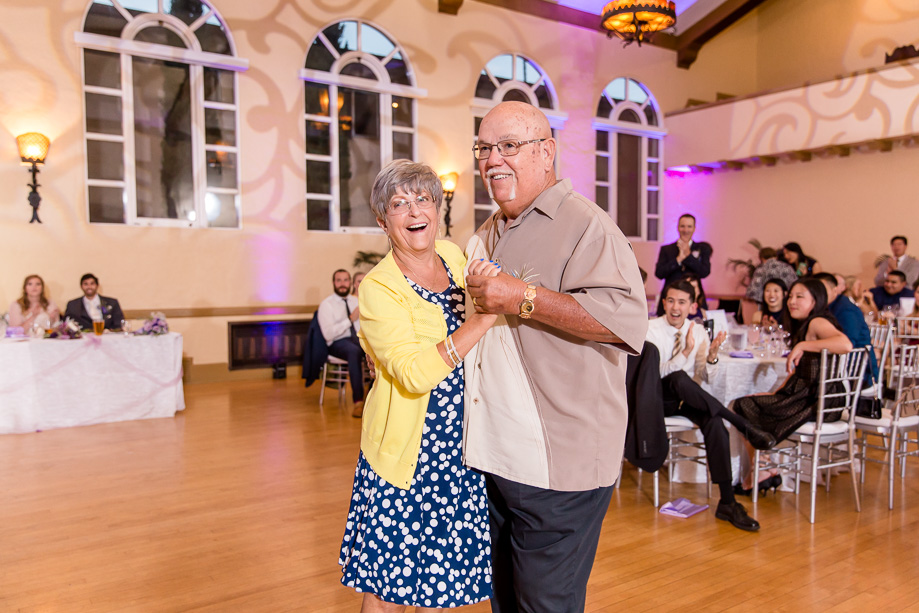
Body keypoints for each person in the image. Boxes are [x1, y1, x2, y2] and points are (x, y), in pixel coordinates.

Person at [463, 101, 648, 612]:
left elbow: (623, 322)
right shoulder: (486, 231)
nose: (492, 159)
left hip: (559, 461)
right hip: (496, 455)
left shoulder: (585, 225)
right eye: (484, 148)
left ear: (546, 152)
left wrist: (522, 297)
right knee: (508, 600)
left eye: (508, 146)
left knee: (546, 604)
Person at [338, 160, 498, 611]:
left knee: (438, 584)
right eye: (398, 203)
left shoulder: (452, 255)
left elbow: (488, 278)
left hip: (460, 451)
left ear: (437, 204)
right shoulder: (378, 287)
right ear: (383, 220)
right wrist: (484, 320)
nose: (413, 210)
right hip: (408, 454)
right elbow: (411, 372)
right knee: (387, 585)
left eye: (422, 198)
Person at [646, 280, 776, 530]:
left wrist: (713, 356)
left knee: (715, 422)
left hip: (686, 399)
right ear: (664, 303)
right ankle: (742, 423)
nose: (675, 307)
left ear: (692, 305)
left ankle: (727, 502)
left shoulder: (698, 330)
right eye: (671, 301)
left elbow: (706, 378)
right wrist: (684, 353)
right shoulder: (650, 329)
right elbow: (653, 375)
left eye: (682, 302)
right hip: (657, 399)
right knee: (678, 377)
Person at [733, 279, 853, 490]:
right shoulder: (806, 324)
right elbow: (800, 371)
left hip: (819, 400)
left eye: (800, 297)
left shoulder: (817, 322)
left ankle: (762, 467)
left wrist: (803, 345)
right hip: (811, 396)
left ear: (816, 301)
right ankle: (763, 466)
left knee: (743, 407)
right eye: (791, 297)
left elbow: (845, 344)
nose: (792, 302)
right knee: (748, 404)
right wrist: (777, 393)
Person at [317, 269, 367, 418]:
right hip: (337, 343)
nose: (342, 284)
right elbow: (328, 334)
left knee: (377, 349)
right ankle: (358, 401)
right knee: (354, 351)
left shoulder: (355, 301)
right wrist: (350, 319)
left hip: (357, 339)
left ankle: (373, 396)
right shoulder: (327, 305)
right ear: (333, 283)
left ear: (350, 283)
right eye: (339, 280)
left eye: (345, 280)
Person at [815, 272, 878, 383]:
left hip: (856, 374)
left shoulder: (846, 310)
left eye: (823, 290)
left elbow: (849, 343)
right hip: (836, 369)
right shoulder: (826, 307)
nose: (819, 294)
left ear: (835, 290)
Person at [655, 213, 712, 315]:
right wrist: (678, 259)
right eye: (683, 226)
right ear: (678, 228)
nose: (686, 230)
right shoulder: (667, 249)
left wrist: (688, 256)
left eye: (689, 226)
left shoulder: (703, 248)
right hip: (671, 299)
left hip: (695, 299)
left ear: (694, 228)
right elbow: (659, 273)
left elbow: (704, 272)